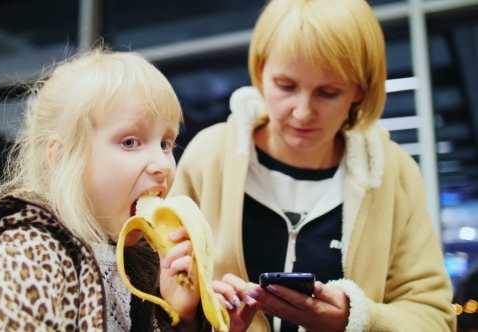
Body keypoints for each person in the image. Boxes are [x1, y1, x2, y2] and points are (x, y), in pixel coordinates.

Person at [170, 0, 456, 331]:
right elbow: (155, 294)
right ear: (261, 71)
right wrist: (194, 317)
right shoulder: (209, 157)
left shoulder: (395, 174)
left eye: (328, 92)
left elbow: (434, 317)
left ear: (359, 91)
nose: (303, 112)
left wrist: (357, 319)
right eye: (286, 86)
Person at [0, 47, 212, 331]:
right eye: (130, 142)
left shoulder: (144, 267)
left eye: (166, 143)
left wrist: (183, 319)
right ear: (61, 157)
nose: (162, 165)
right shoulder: (18, 257)